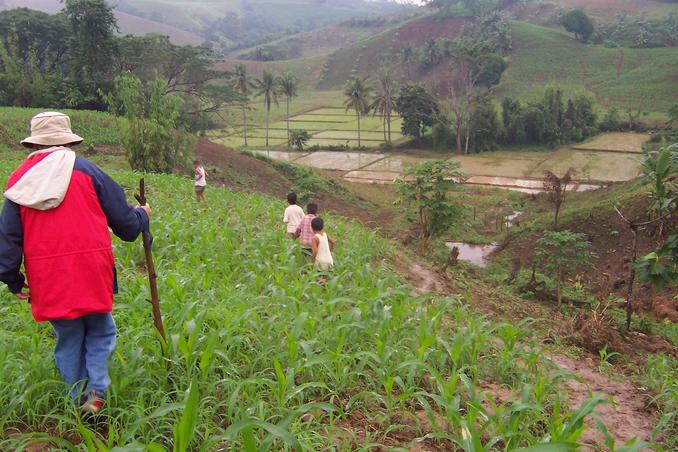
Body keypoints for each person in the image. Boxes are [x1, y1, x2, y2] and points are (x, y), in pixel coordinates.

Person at [0, 112, 151, 413]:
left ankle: (74, 401)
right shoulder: (89, 172)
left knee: (68, 339)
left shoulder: (19, 181)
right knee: (100, 331)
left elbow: (8, 237)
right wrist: (142, 214)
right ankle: (96, 394)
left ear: (33, 145)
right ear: (69, 141)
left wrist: (12, 279)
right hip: (92, 272)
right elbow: (127, 227)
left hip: (48, 277)